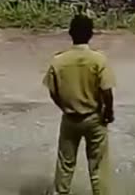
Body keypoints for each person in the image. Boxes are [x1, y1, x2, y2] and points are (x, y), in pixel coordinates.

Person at [43, 14, 115, 195]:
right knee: (98, 166)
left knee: (65, 164)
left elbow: (53, 91)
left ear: (70, 33)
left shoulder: (58, 61)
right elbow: (106, 90)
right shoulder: (99, 60)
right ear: (91, 34)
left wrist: (64, 106)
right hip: (94, 117)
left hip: (70, 118)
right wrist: (108, 112)